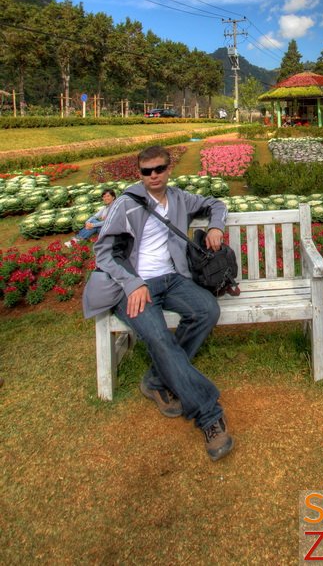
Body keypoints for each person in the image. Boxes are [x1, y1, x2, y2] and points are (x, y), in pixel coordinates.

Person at [83, 145, 233, 462]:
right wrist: (134, 283)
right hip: (132, 287)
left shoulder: (178, 198)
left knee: (207, 310)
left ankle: (155, 380)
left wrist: (217, 225)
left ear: (169, 168)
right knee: (160, 338)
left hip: (173, 279)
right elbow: (104, 253)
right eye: (146, 171)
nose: (153, 176)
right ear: (139, 173)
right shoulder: (125, 204)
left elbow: (215, 203)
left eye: (159, 169)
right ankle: (209, 415)